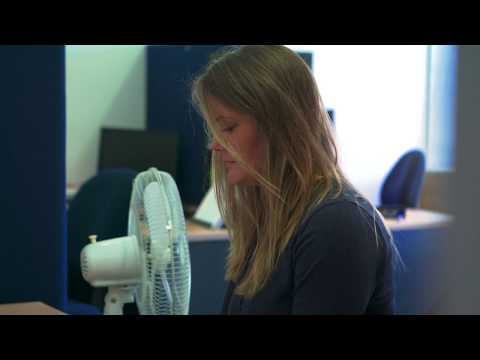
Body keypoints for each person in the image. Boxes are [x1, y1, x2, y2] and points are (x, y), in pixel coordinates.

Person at [191, 45, 399, 314]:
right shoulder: (269, 220)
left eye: (229, 128)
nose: (215, 147)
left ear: (280, 126)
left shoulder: (336, 225)